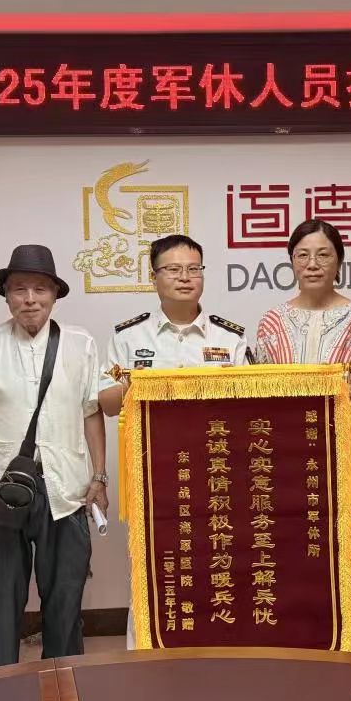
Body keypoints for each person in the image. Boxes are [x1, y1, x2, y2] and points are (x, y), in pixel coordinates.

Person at [0, 244, 107, 668]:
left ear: (54, 295)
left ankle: (65, 679)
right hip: (4, 490)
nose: (30, 299)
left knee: (65, 598)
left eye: (40, 289)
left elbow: (91, 413)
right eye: (19, 289)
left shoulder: (80, 344)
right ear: (7, 296)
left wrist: (99, 477)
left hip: (67, 488)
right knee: (2, 600)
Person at [97, 233, 252, 648]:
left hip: (217, 471)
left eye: (193, 269)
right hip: (153, 474)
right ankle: (145, 652)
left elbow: (250, 407)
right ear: (154, 277)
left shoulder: (229, 338)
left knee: (217, 560)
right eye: (173, 269)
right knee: (153, 564)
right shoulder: (129, 338)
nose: (185, 277)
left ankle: (215, 646)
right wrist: (137, 385)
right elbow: (106, 403)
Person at [253, 219, 351, 643]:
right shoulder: (273, 320)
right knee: (288, 531)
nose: (313, 264)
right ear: (291, 262)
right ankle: (293, 623)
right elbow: (263, 391)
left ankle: (347, 628)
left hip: (343, 442)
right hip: (285, 446)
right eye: (303, 255)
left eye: (323, 255)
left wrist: (316, 386)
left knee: (346, 536)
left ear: (339, 262)